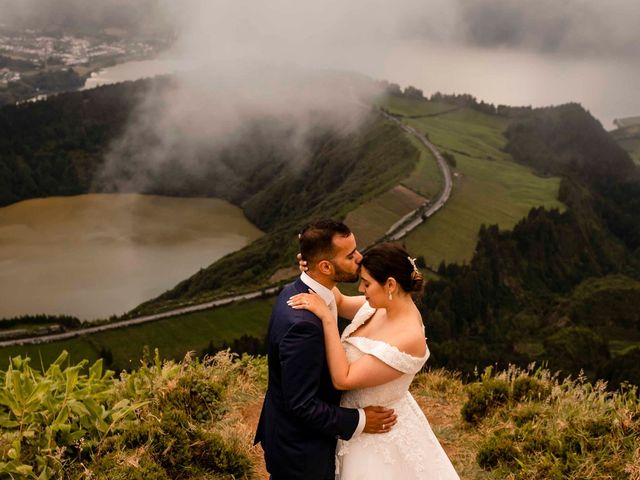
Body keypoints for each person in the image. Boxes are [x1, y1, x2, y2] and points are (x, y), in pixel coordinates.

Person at [289, 241, 460, 479]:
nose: (361, 289)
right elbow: (339, 301)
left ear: (390, 284)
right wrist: (315, 268)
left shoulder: (409, 337)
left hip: (379, 433)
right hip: (356, 427)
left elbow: (343, 378)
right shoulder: (380, 306)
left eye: (367, 283)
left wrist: (328, 320)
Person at [254, 219, 397, 480]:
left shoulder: (301, 289)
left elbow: (346, 301)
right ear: (325, 266)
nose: (360, 258)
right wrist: (361, 420)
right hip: (300, 451)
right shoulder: (303, 325)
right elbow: (302, 405)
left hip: (301, 441)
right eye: (351, 255)